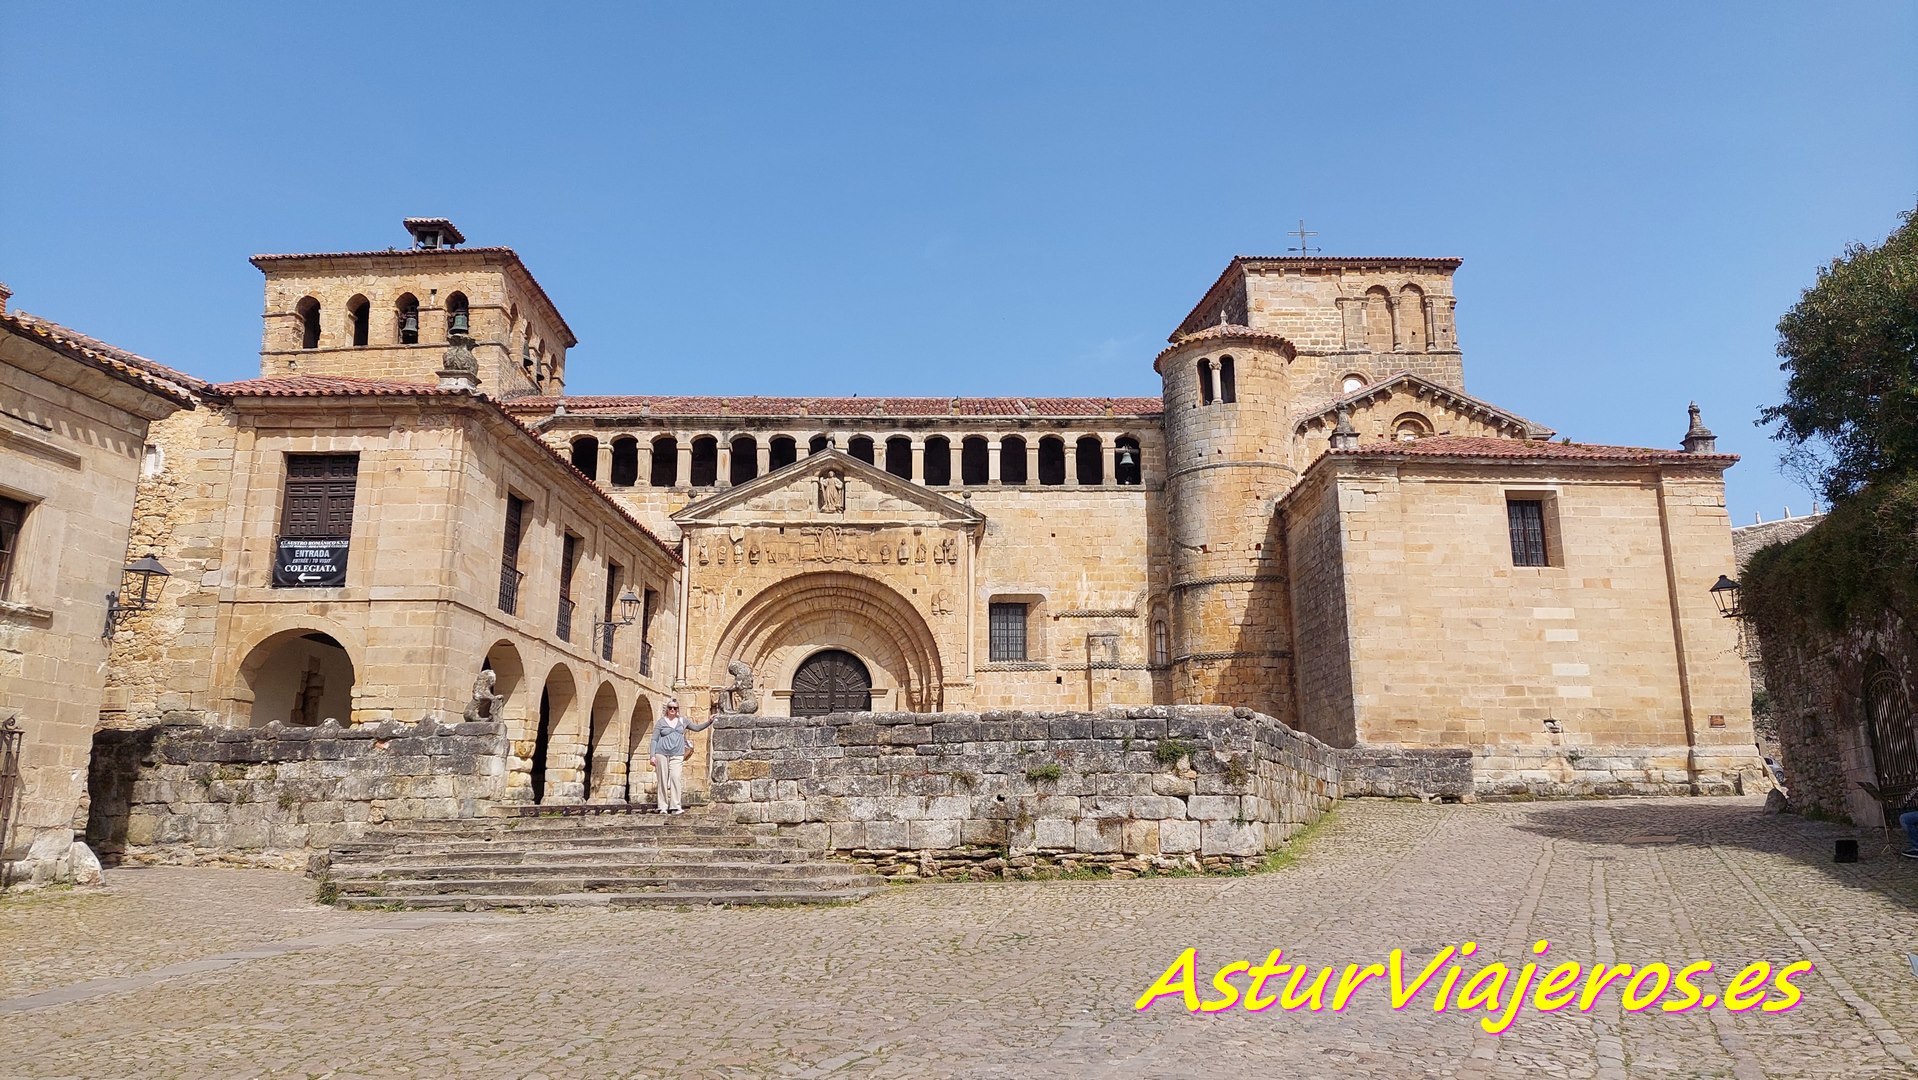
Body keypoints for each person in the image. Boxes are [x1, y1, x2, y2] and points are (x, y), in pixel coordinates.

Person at [649, 698, 712, 815]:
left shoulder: (683, 721)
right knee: (662, 779)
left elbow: (697, 728)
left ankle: (675, 806)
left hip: (677, 754)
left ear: (678, 709)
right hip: (661, 753)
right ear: (667, 709)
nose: (672, 710)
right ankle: (662, 806)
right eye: (670, 708)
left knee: (675, 777)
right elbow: (654, 739)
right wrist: (652, 756)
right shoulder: (661, 722)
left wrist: (709, 722)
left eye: (675, 708)